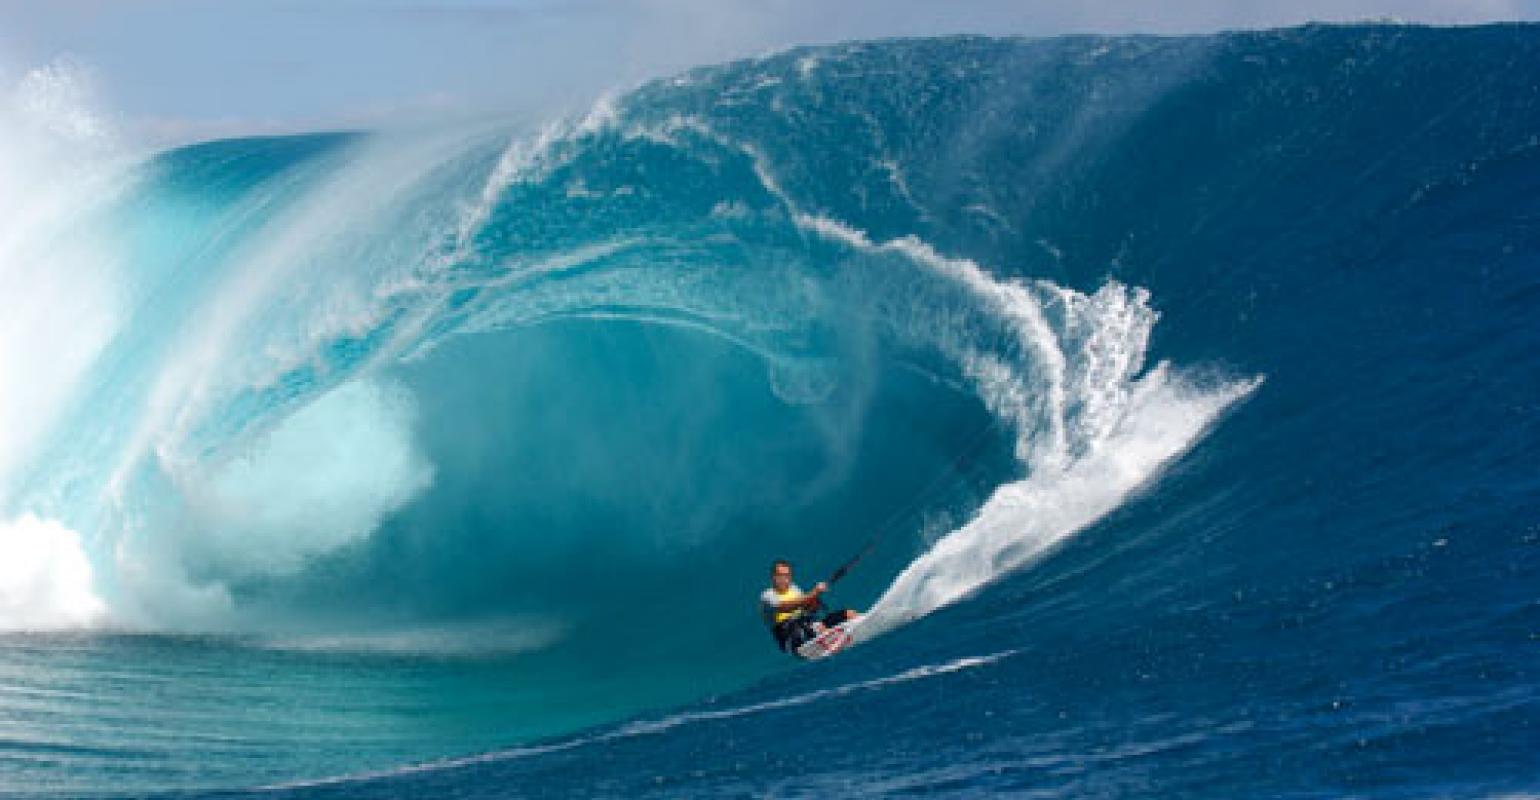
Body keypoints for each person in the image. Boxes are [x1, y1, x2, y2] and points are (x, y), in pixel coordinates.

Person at [759, 558, 860, 654]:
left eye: (787, 575)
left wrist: (815, 598)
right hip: (789, 639)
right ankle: (833, 642)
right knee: (816, 627)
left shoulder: (794, 589)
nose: (784, 579)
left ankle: (860, 628)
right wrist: (814, 592)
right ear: (773, 577)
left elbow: (808, 608)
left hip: (807, 625)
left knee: (848, 614)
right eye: (780, 575)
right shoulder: (767, 596)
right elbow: (786, 607)